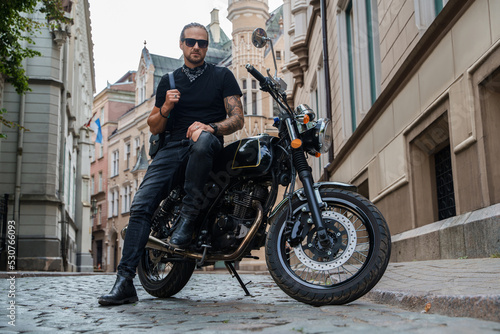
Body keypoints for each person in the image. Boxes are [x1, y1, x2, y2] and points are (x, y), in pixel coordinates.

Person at [98, 22, 244, 306]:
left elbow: (237, 118)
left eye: (202, 43)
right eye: (191, 42)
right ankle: (125, 281)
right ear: (181, 44)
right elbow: (154, 126)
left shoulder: (222, 75)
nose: (196, 48)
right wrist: (165, 107)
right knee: (140, 205)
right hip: (171, 148)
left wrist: (211, 127)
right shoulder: (169, 81)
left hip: (206, 144)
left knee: (201, 140)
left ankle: (188, 219)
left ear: (206, 47)